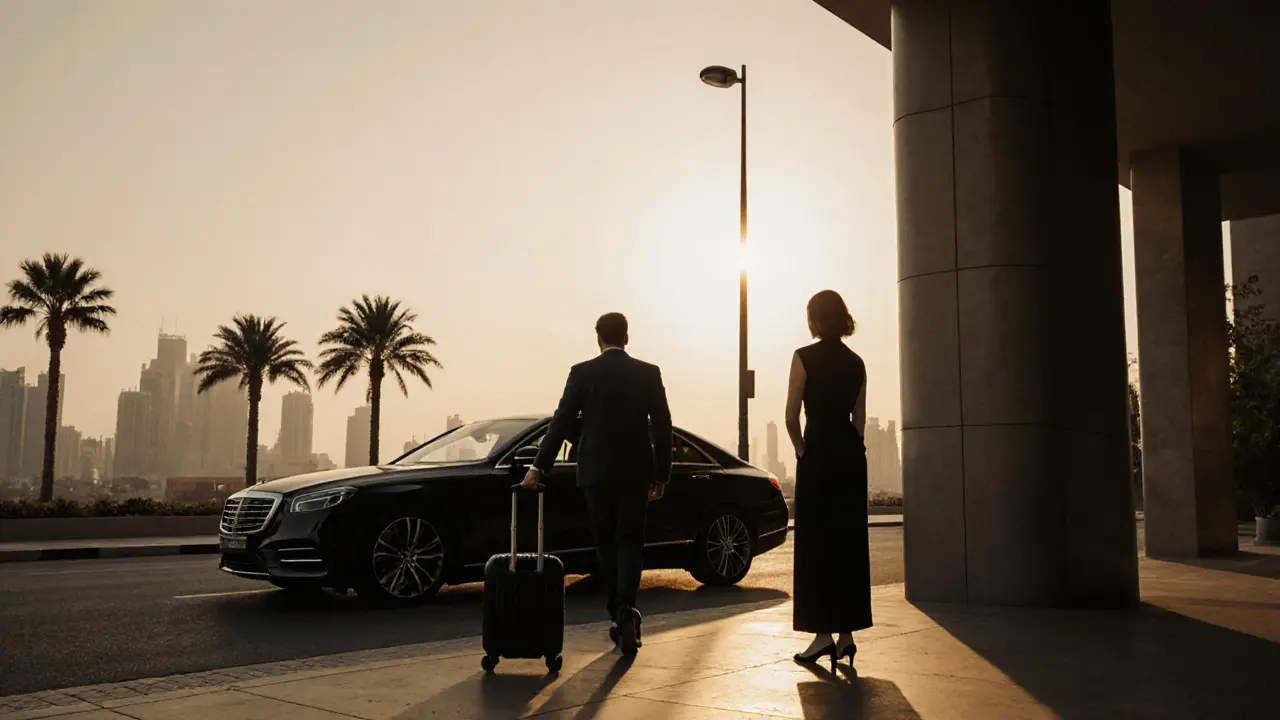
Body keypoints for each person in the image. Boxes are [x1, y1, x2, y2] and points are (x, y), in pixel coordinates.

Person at [522, 312, 672, 655]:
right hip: (636, 472)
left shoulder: (582, 373)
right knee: (631, 541)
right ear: (627, 337)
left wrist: (538, 467)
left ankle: (620, 613)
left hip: (595, 472)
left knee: (605, 544)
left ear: (598, 338)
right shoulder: (648, 373)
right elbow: (663, 426)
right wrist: (661, 474)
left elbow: (560, 422)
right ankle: (626, 612)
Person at [786, 289, 872, 670]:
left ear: (815, 319)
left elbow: (790, 416)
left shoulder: (803, 357)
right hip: (851, 460)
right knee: (849, 545)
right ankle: (847, 636)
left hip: (818, 457)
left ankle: (822, 636)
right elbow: (860, 421)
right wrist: (851, 452)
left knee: (817, 546)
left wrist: (803, 451)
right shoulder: (858, 363)